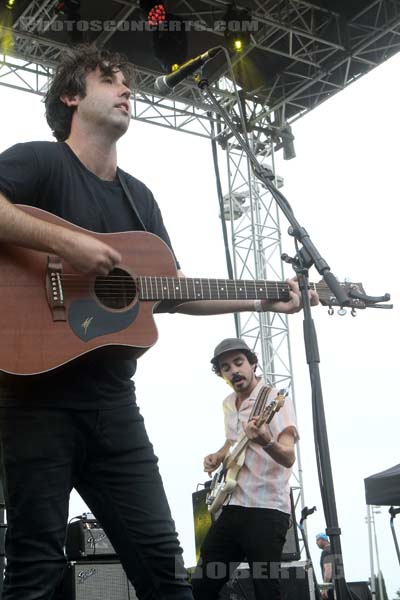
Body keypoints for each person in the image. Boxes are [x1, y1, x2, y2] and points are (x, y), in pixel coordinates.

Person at [0, 44, 317, 600]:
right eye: (109, 80)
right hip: (33, 401)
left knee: (165, 569)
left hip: (112, 407)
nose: (127, 89)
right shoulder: (39, 163)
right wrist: (68, 242)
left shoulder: (138, 199)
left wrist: (266, 300)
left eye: (127, 82)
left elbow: (168, 292)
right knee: (33, 572)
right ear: (71, 97)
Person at [191, 337, 299, 600]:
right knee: (201, 585)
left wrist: (267, 441)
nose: (234, 371)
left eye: (238, 363)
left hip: (267, 509)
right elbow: (233, 441)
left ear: (252, 364)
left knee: (265, 589)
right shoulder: (229, 404)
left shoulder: (273, 399)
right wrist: (217, 456)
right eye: (226, 368)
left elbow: (288, 457)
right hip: (233, 505)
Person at [316, 532, 334, 600]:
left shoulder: (326, 552)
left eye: (318, 540)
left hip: (331, 588)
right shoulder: (334, 549)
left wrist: (324, 589)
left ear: (324, 540)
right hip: (339, 587)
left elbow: (328, 571)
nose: (316, 543)